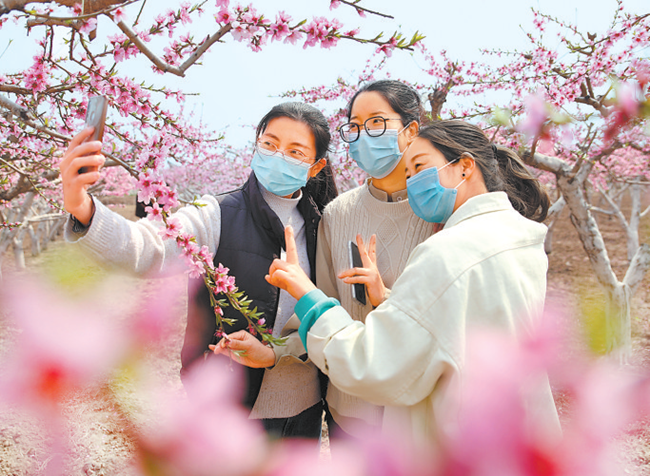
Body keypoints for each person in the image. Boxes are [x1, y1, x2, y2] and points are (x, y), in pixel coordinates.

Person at [265, 119, 561, 442]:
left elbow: (372, 362)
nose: (413, 182)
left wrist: (309, 296)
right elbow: (458, 326)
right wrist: (393, 301)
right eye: (408, 174)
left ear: (464, 166)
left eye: (419, 166)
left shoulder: (447, 252)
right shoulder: (516, 237)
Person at [59, 102, 337, 440]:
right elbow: (150, 248)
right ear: (257, 144)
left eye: (295, 152)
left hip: (305, 408)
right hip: (230, 407)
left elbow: (331, 315)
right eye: (270, 144)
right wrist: (83, 208)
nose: (278, 156)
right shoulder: (217, 213)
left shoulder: (324, 225)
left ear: (315, 166)